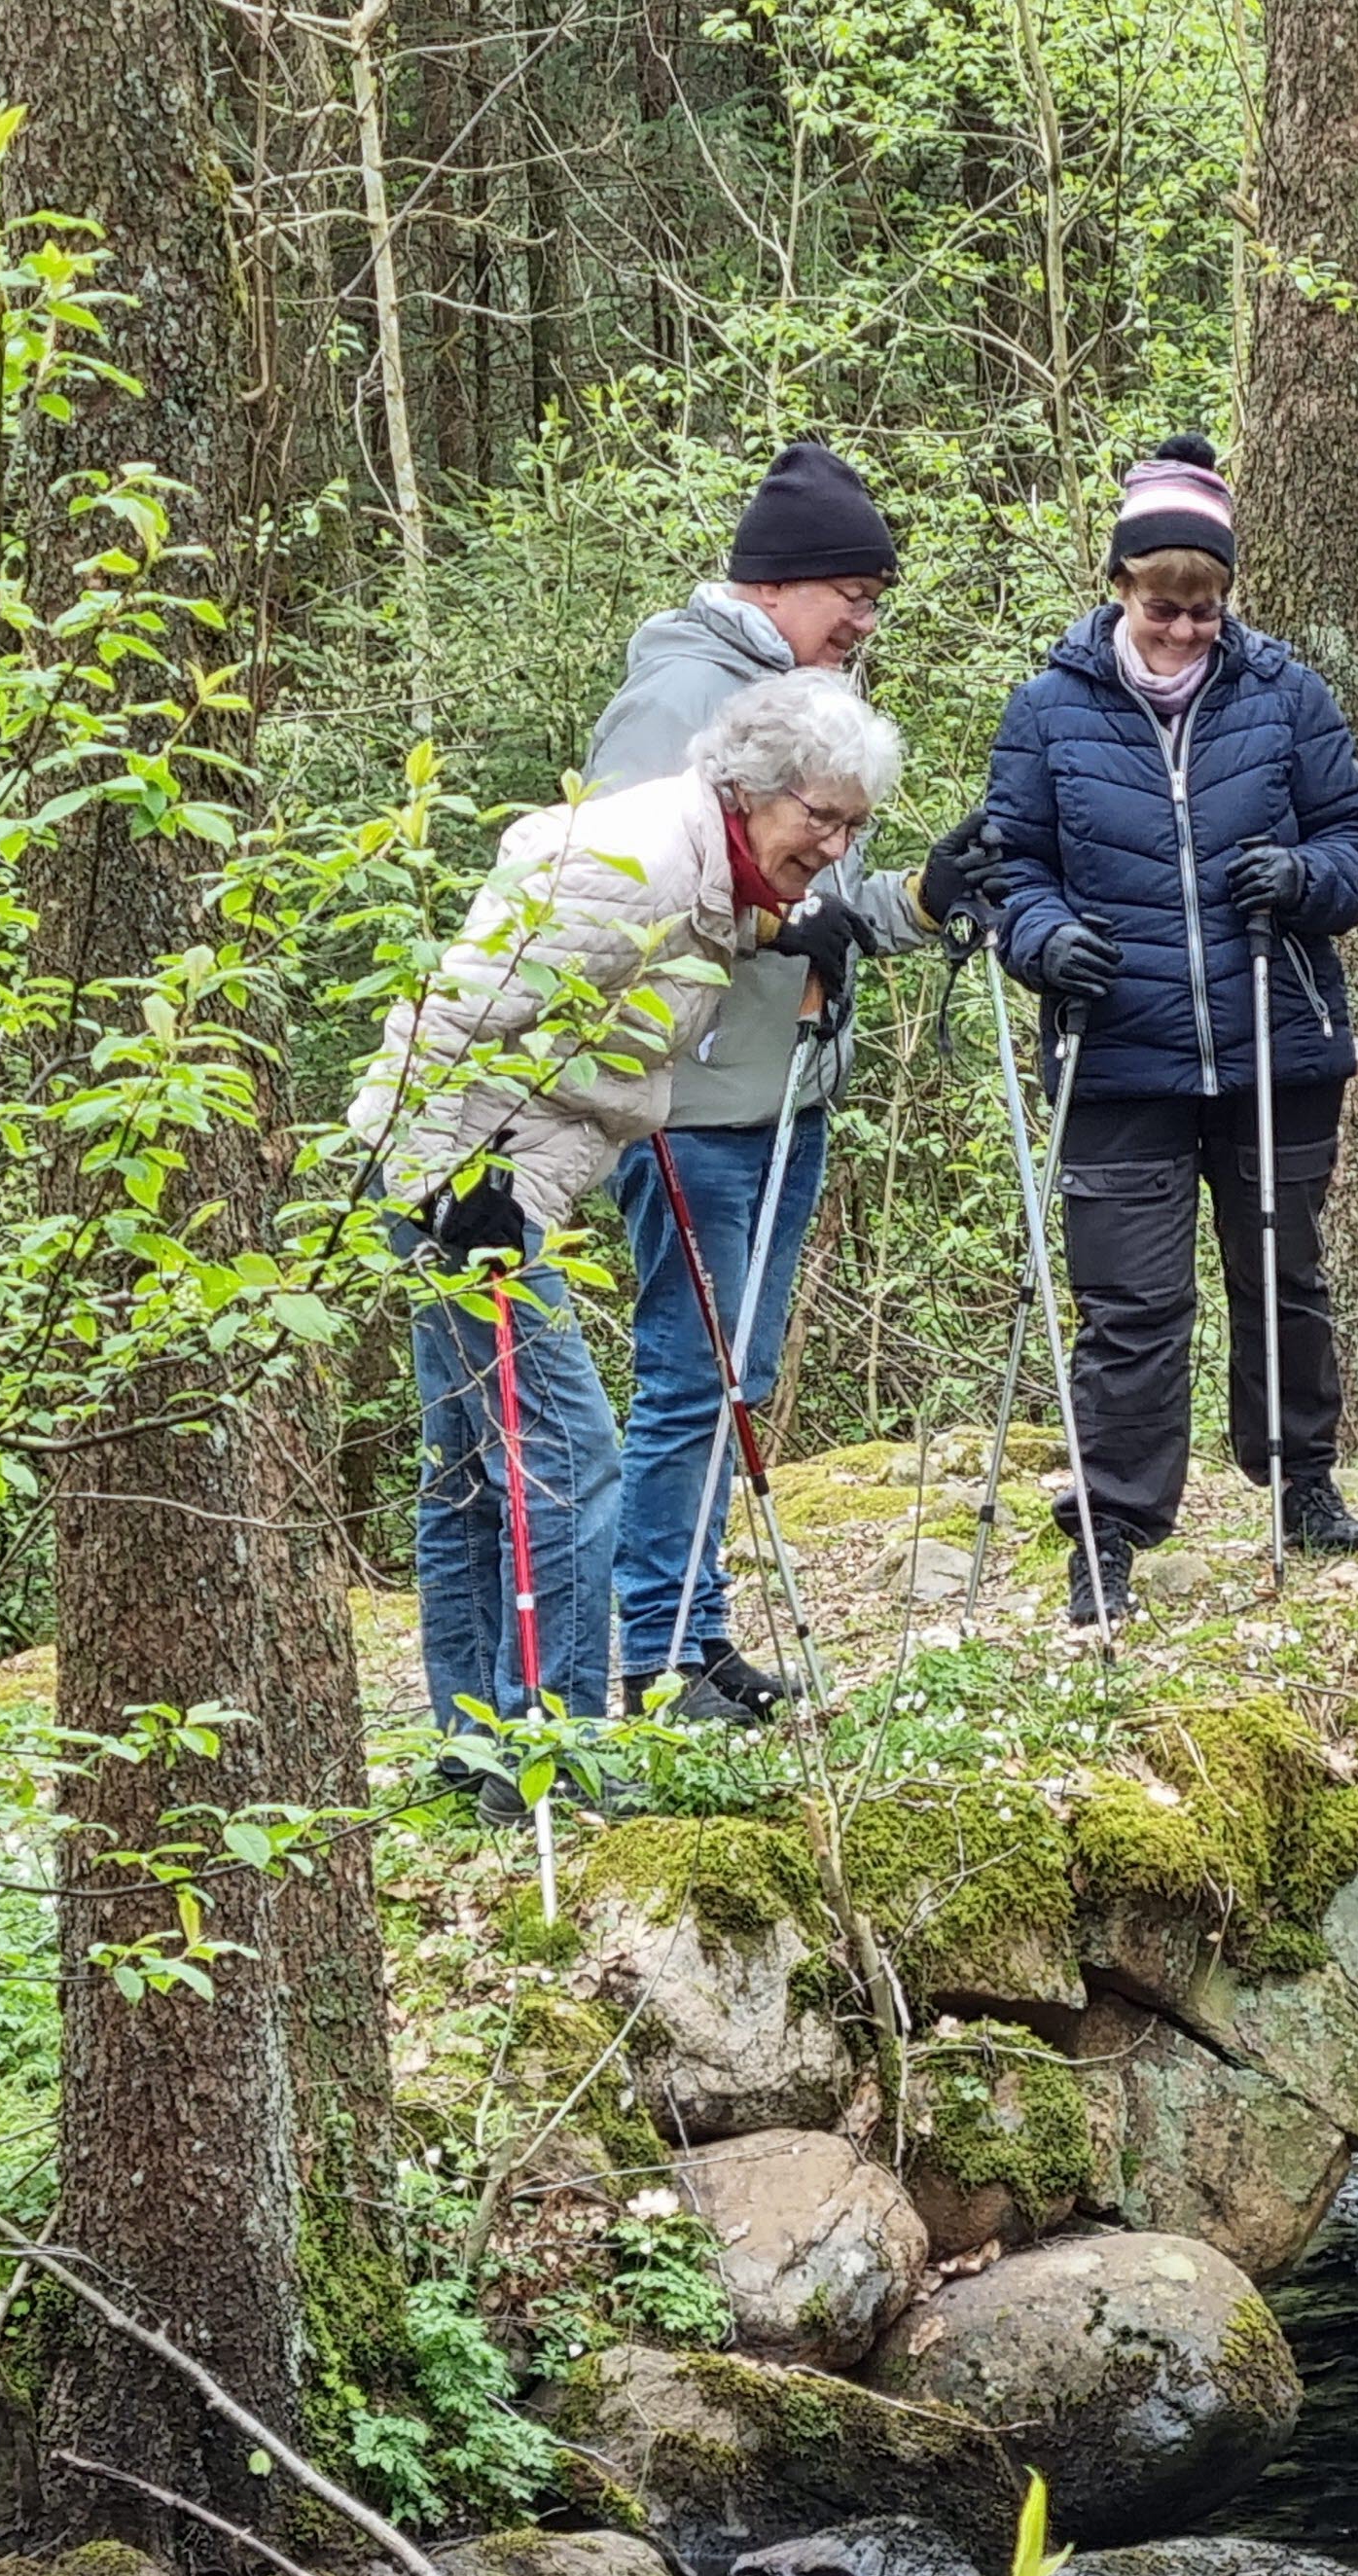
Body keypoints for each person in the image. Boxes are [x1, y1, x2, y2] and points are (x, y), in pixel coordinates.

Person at [349, 671, 907, 1810]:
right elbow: (452, 1012)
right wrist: (449, 1184)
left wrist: (787, 924)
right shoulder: (637, 862)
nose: (836, 846)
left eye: (855, 826)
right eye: (822, 817)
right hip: (470, 1189)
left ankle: (475, 1752)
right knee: (567, 1455)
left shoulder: (706, 863)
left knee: (467, 1469)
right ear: (752, 787)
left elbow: (697, 928)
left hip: (496, 1176)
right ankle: (554, 1764)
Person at [965, 438, 1358, 1626]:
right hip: (1116, 1055)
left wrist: (1304, 877)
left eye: (1206, 608)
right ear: (1120, 588)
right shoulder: (1046, 711)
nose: (1187, 630)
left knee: (1283, 1274)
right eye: (1164, 606)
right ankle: (1108, 1529)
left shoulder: (1286, 694)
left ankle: (1302, 1482)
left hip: (1274, 1035)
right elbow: (1007, 866)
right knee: (1132, 1307)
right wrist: (1043, 937)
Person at [584, 440, 971, 1724]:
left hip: (783, 1090)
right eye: (851, 593)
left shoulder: (800, 697)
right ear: (775, 583)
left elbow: (815, 907)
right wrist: (777, 928)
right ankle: (658, 1653)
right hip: (693, 1098)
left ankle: (696, 1636)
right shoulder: (678, 698)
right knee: (692, 1377)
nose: (864, 621)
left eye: (875, 599)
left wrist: (916, 901)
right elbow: (632, 899)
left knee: (732, 1376)